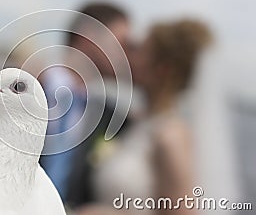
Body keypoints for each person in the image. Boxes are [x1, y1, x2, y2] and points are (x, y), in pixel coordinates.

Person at [77, 19, 213, 215]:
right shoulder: (139, 123)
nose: (129, 57)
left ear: (162, 69)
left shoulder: (170, 138)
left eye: (141, 51)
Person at [39, 2, 132, 208]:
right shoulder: (10, 89)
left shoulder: (113, 118)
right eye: (122, 43)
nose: (128, 54)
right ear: (88, 36)